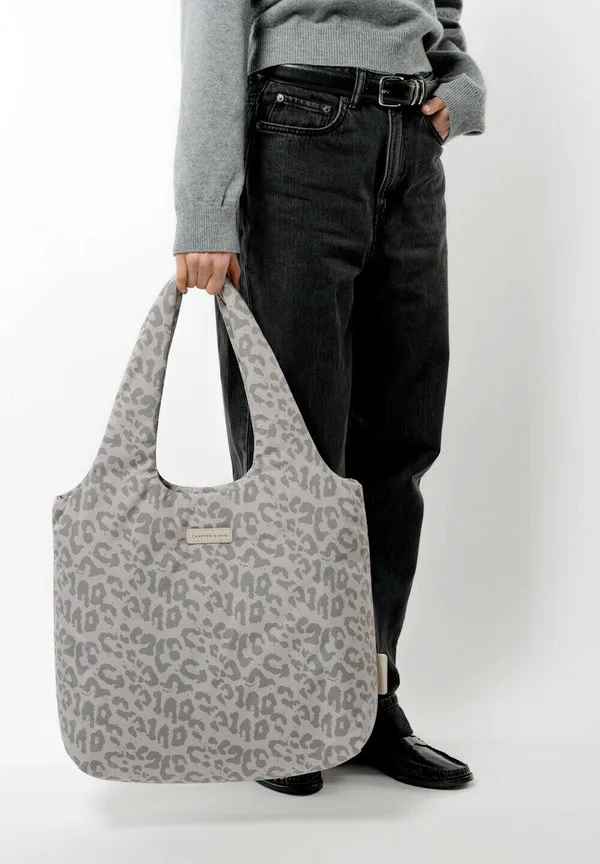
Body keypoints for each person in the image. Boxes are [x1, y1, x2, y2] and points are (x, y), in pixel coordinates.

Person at [173, 1, 486, 796]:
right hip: (299, 129)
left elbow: (442, 9)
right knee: (293, 453)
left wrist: (459, 76)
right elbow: (214, 14)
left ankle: (367, 700)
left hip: (412, 139)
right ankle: (284, 708)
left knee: (400, 445)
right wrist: (206, 206)